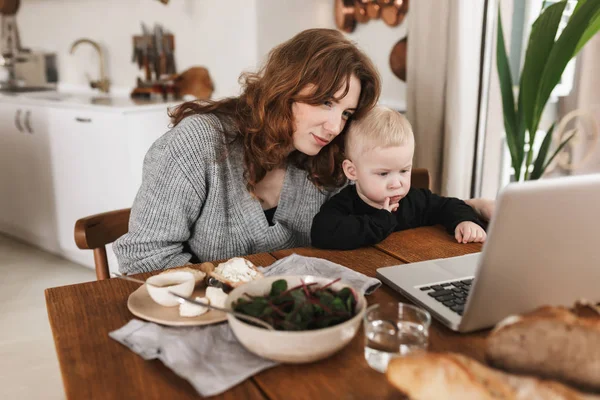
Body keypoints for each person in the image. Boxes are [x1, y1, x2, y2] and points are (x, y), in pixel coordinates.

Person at [113, 28, 381, 274]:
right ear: (286, 87)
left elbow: (353, 241)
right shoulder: (198, 141)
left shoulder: (331, 156)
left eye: (347, 113)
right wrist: (238, 293)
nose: (335, 126)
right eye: (325, 102)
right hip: (204, 312)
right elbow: (144, 257)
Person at [311, 106, 487, 250]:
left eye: (404, 171)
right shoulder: (344, 205)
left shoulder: (414, 200)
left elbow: (448, 206)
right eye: (383, 174)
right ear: (352, 171)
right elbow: (322, 233)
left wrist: (464, 221)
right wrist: (381, 221)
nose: (397, 184)